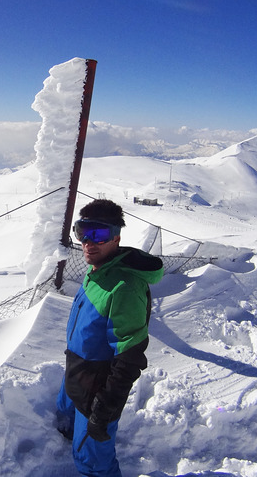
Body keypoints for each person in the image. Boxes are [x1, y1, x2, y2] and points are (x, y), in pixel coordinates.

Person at [56, 199, 164, 476]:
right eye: (83, 232)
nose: (89, 243)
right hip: (78, 374)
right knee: (72, 432)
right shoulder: (98, 272)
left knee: (93, 463)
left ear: (116, 238)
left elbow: (129, 357)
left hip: (97, 391)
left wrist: (104, 409)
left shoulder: (124, 287)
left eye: (99, 234)